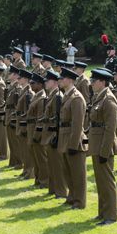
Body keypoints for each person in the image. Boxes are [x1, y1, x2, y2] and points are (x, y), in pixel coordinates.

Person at [88, 68, 117, 225]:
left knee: (107, 181)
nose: (91, 83)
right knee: (100, 181)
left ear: (102, 82)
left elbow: (110, 128)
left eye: (94, 81)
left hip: (103, 146)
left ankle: (111, 215)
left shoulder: (108, 99)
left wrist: (104, 151)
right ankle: (103, 212)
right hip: (97, 144)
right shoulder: (99, 97)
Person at [57, 67, 88, 210]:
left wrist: (73, 144)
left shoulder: (76, 98)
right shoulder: (67, 95)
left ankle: (80, 201)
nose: (59, 80)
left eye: (62, 78)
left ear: (69, 80)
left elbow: (77, 124)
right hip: (64, 136)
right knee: (66, 171)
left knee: (77, 173)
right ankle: (72, 196)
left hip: (73, 138)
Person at [41, 70, 67, 198]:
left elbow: (58, 118)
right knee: (51, 164)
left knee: (57, 165)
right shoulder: (51, 95)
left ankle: (61, 191)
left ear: (55, 82)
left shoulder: (57, 96)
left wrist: (57, 136)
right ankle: (53, 189)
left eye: (48, 80)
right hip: (49, 134)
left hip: (54, 135)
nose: (45, 83)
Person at [27, 73, 48, 188]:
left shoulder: (42, 98)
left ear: (40, 85)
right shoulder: (36, 96)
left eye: (33, 83)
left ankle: (44, 180)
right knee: (35, 157)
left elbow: (40, 119)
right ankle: (38, 179)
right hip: (31, 129)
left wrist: (37, 134)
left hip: (36, 131)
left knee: (41, 158)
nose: (30, 85)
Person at [16, 69, 35, 179]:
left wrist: (24, 126)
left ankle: (30, 171)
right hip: (20, 122)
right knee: (23, 149)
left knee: (27, 150)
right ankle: (25, 170)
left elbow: (28, 112)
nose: (18, 80)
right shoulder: (23, 91)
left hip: (25, 124)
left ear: (26, 79)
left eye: (20, 78)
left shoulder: (29, 93)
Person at [4, 65, 23, 169]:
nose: (8, 75)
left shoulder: (17, 87)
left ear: (15, 75)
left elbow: (17, 105)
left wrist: (14, 119)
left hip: (12, 116)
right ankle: (13, 161)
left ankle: (19, 163)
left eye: (10, 73)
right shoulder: (11, 86)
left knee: (15, 143)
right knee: (11, 142)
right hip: (8, 115)